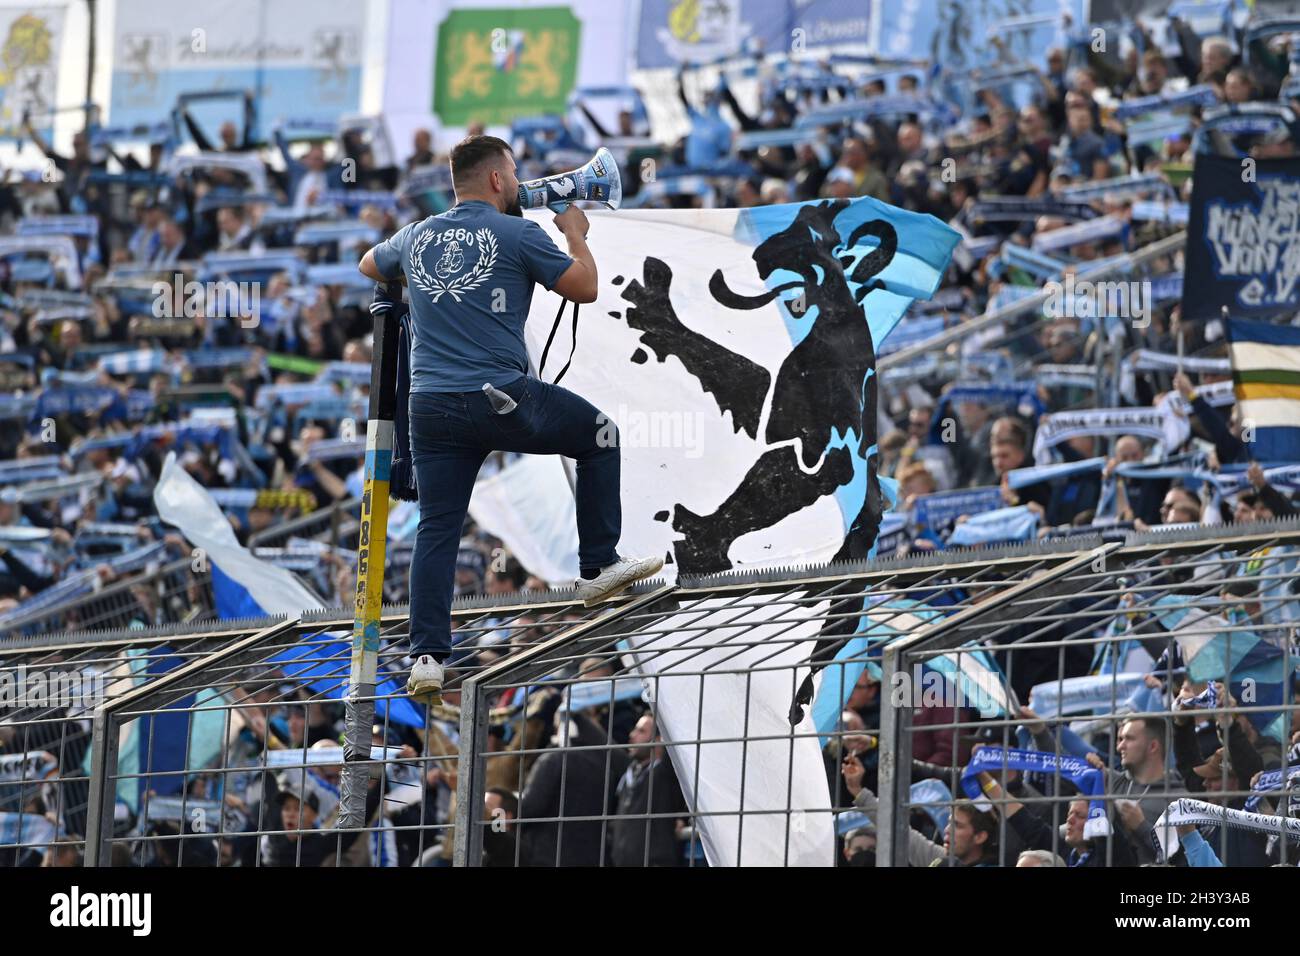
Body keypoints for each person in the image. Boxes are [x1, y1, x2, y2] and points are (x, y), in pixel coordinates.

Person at [359, 134, 663, 703]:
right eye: (516, 173)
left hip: (429, 407)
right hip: (498, 396)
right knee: (600, 438)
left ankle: (426, 656)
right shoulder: (517, 232)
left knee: (438, 528)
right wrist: (574, 233)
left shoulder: (419, 233)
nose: (521, 183)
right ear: (498, 180)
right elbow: (586, 287)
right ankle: (597, 565)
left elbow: (369, 263)